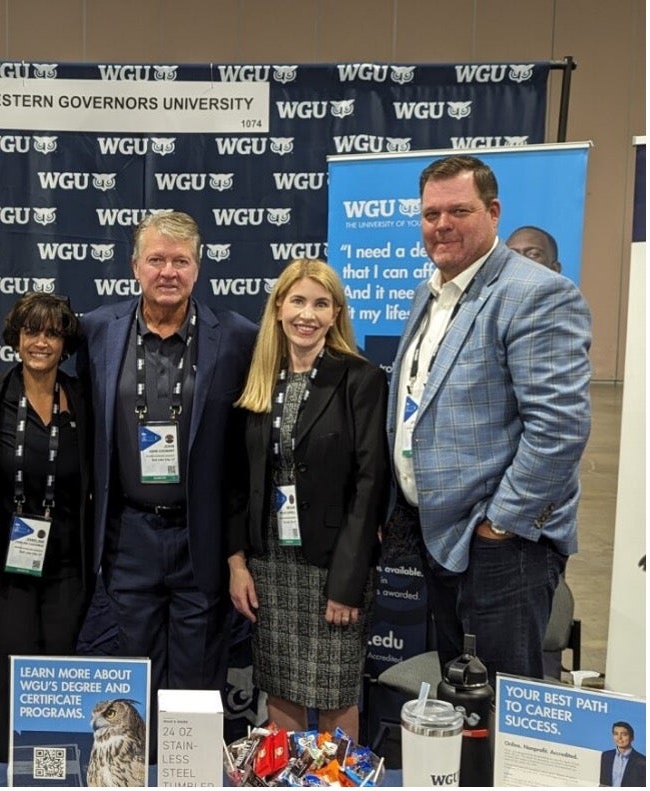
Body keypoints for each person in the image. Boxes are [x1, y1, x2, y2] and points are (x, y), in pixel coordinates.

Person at [386, 154, 592, 681]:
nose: (442, 225)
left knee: (503, 707)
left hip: (504, 551)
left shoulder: (536, 293)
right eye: (431, 214)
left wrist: (501, 524)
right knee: (463, 700)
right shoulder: (430, 293)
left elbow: (559, 429)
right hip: (441, 538)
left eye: (459, 210)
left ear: (493, 212)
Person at [76, 211, 257, 705]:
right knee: (133, 681)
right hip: (126, 536)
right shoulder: (96, 331)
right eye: (156, 260)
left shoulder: (237, 337)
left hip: (200, 537)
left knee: (197, 686)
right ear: (135, 266)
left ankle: (189, 780)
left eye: (181, 261)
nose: (168, 272)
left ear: (198, 268)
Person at [227, 259, 389, 739]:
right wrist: (238, 564)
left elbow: (370, 485)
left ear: (336, 312)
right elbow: (238, 482)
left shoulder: (360, 378)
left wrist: (347, 583)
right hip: (270, 566)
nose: (307, 314)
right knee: (280, 685)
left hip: (330, 568)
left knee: (335, 692)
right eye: (297, 300)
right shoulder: (258, 379)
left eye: (321, 303)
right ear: (278, 308)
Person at [0, 292, 92, 762]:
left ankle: (52, 766)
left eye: (52, 333)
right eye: (31, 331)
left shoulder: (83, 399)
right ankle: (7, 767)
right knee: (11, 669)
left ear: (65, 342)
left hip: (67, 566)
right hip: (3, 567)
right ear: (15, 338)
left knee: (55, 673)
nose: (40, 342)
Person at [600, 721, 646, 787]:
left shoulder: (643, 761)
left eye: (624, 734)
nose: (619, 738)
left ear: (632, 737)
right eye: (616, 734)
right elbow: (603, 783)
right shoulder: (606, 756)